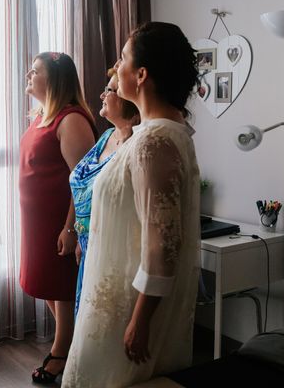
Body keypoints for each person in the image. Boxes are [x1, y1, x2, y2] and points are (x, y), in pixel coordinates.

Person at [62, 22, 201, 387]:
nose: (116, 66)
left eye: (123, 57)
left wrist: (140, 322)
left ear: (141, 74)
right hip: (114, 291)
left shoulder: (153, 142)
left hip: (125, 305)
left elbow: (162, 245)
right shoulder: (159, 134)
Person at [19, 52, 96, 384]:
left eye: (35, 71)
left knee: (62, 287)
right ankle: (73, 343)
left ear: (54, 80)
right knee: (48, 285)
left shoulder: (71, 120)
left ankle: (62, 351)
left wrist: (71, 229)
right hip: (37, 221)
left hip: (58, 221)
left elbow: (82, 180)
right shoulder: (42, 115)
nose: (28, 75)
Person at [70, 64, 140, 316]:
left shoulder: (135, 147)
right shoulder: (107, 136)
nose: (102, 95)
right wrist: (80, 234)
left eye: (109, 90)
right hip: (88, 243)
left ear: (130, 107)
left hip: (114, 248)